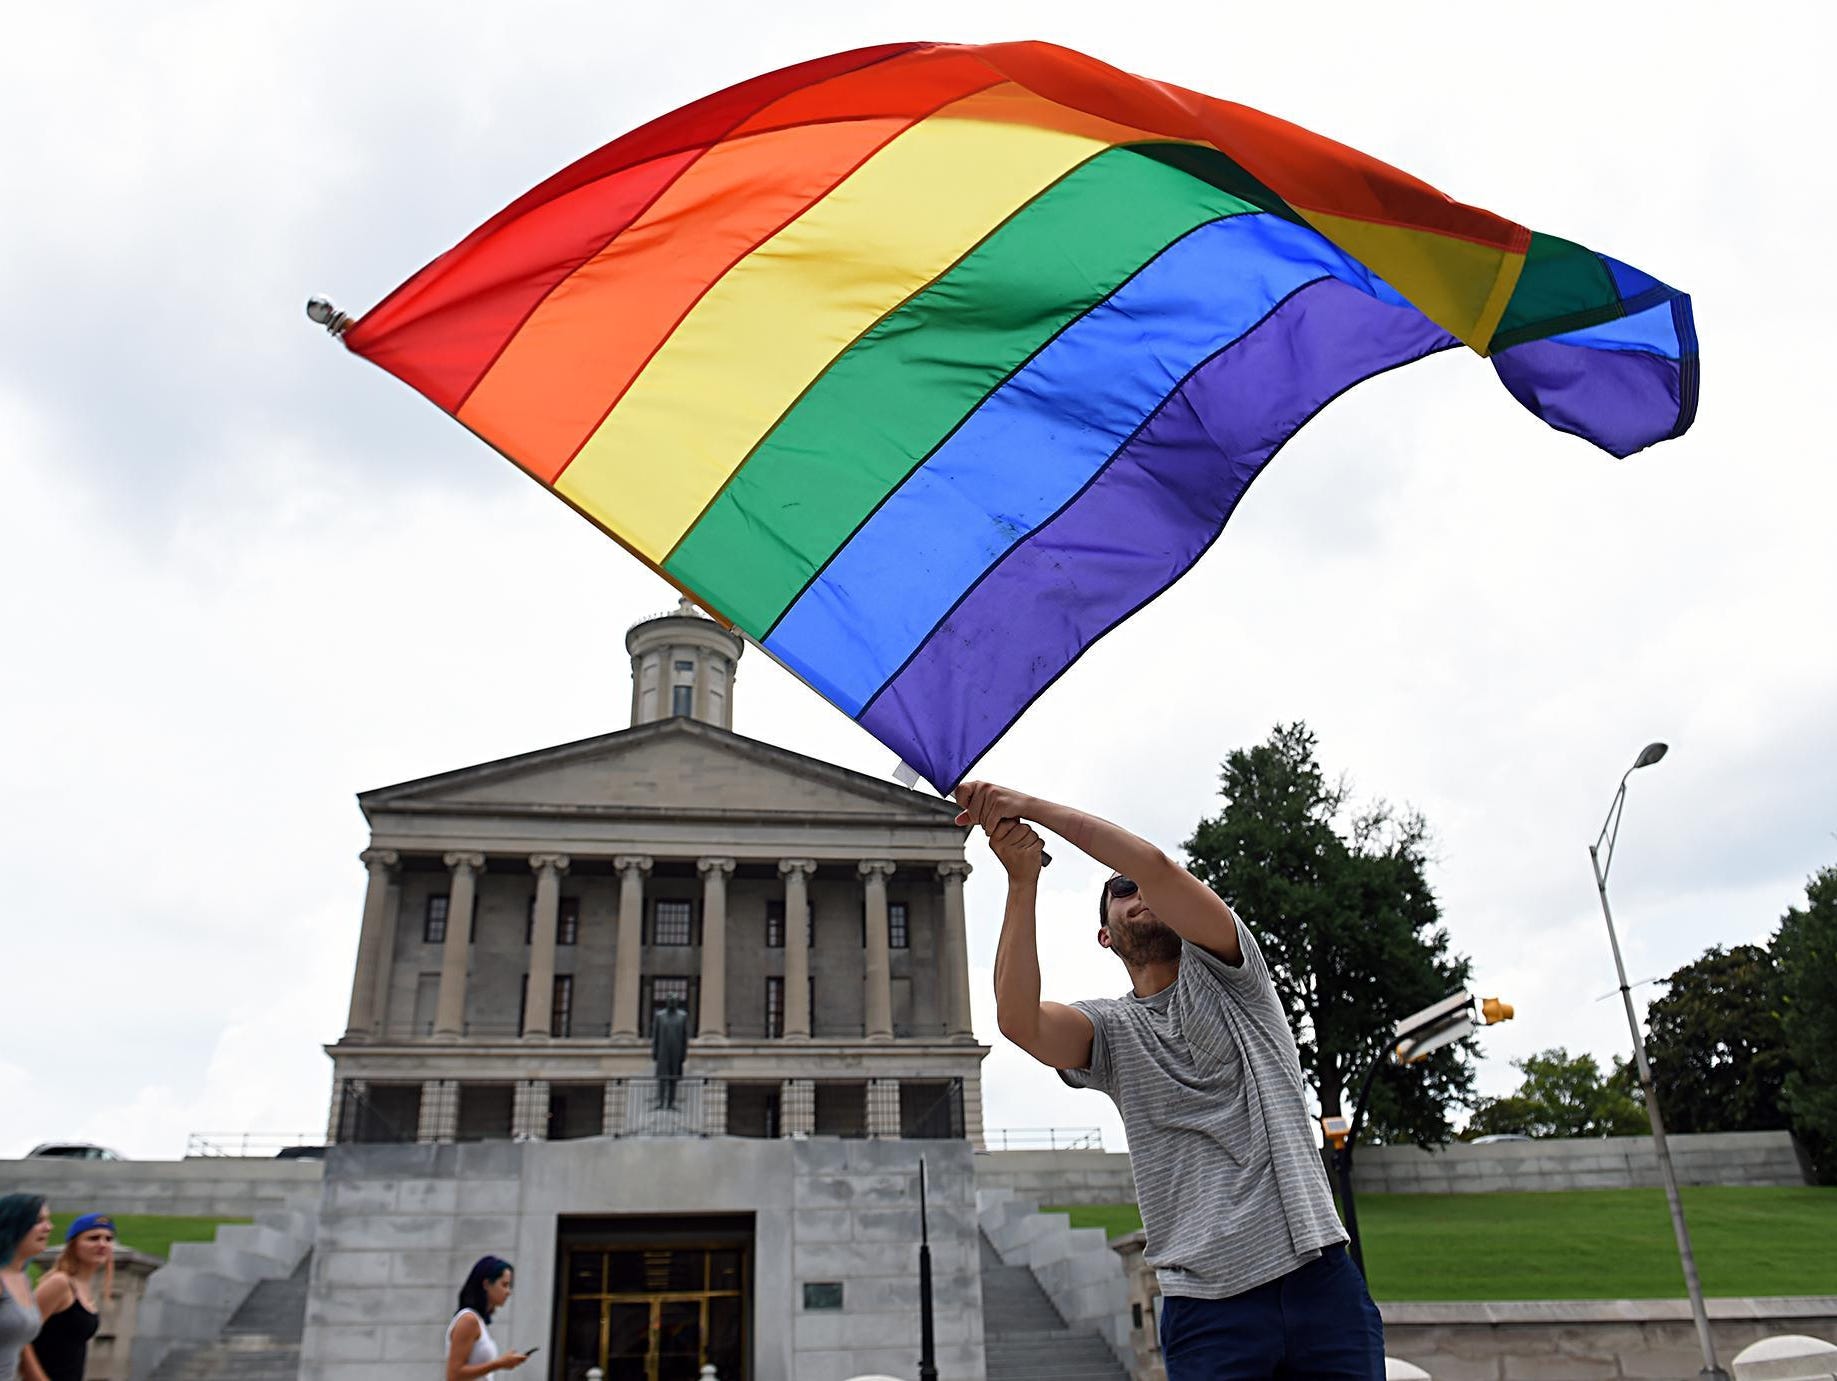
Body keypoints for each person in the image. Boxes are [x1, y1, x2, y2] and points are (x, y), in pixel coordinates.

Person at [956, 781, 1385, 1381]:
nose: (1138, 894)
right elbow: (1017, 1021)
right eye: (1120, 895)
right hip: (1206, 1309)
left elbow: (1152, 865)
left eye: (1142, 888)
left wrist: (1028, 808)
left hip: (1317, 1279)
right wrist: (1022, 879)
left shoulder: (1235, 975)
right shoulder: (1108, 1030)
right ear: (1106, 935)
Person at [30, 1213, 114, 1381]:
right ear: (74, 1245)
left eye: (108, 1239)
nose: (102, 1244)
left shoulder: (84, 1287)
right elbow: (22, 1336)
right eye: (93, 1238)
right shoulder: (59, 1283)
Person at [445, 1256, 527, 1380]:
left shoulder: (478, 1321)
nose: (508, 1292)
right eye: (504, 1285)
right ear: (487, 1284)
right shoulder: (469, 1320)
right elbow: (454, 1374)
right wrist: (499, 1363)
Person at [0, 1194, 52, 1381]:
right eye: (38, 1221)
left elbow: (22, 1349)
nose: (49, 1227)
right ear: (13, 1224)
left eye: (48, 1220)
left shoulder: (22, 1278)